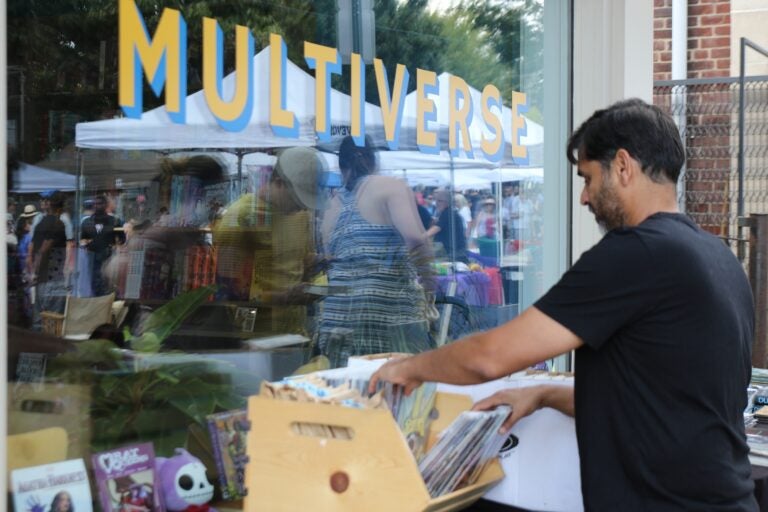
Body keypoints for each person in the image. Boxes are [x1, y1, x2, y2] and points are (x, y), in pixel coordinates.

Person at [370, 99, 757, 510]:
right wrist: (542, 394)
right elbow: (661, 400)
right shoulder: (718, 257)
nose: (584, 198)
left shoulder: (637, 253)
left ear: (623, 166)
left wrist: (409, 368)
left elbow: (490, 356)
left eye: (587, 178)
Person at [318, 135, 434, 366]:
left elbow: (329, 257)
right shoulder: (389, 186)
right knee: (395, 392)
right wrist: (430, 286)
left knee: (348, 391)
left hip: (337, 317)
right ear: (373, 160)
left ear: (341, 166)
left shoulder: (332, 203)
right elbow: (414, 238)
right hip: (385, 312)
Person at [213, 146, 326, 335]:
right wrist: (285, 297)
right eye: (297, 198)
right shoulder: (240, 217)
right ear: (279, 183)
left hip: (294, 335)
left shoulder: (301, 215)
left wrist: (315, 264)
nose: (301, 206)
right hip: (254, 336)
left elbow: (298, 262)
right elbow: (230, 292)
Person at [80, 195, 124, 296]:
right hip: (92, 258)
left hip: (108, 257)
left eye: (99, 203)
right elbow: (83, 239)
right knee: (94, 283)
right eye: (94, 204)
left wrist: (115, 248)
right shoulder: (87, 222)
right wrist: (86, 245)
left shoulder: (115, 221)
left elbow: (122, 240)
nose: (96, 206)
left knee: (108, 283)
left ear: (105, 205)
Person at [426, 188, 468, 263]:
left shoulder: (448, 213)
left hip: (453, 254)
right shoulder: (448, 212)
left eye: (440, 201)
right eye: (436, 200)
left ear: (448, 202)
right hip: (452, 252)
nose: (436, 203)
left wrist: (420, 237)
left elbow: (433, 230)